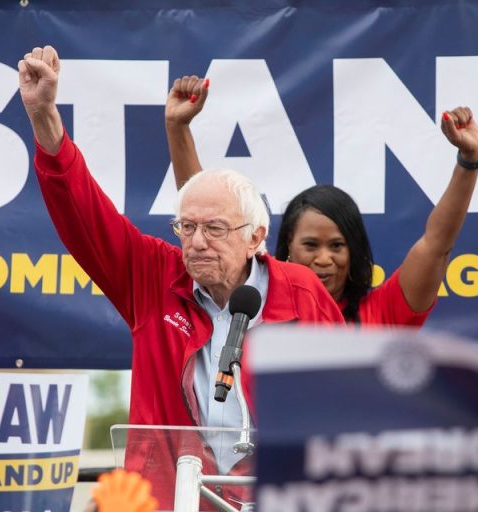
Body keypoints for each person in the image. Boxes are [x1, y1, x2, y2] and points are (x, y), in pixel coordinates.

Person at [19, 45, 343, 433]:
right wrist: (43, 115)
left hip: (269, 491)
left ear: (255, 237)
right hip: (173, 489)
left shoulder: (301, 292)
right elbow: (82, 214)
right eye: (187, 227)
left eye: (215, 229)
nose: (198, 242)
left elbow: (344, 399)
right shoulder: (153, 278)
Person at [165, 76, 478, 326]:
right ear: (288, 246)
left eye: (337, 246)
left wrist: (470, 160)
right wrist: (177, 127)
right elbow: (203, 209)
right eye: (311, 245)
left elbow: (436, 244)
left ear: (353, 252)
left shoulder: (382, 316)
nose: (324, 259)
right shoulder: (254, 302)